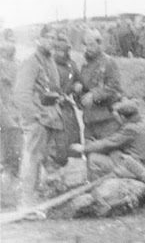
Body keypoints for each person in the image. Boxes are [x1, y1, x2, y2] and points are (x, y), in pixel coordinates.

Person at [71, 100, 145, 200]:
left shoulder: (130, 129)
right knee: (115, 154)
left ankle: (95, 193)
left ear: (123, 118)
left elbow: (108, 143)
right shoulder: (141, 125)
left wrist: (84, 148)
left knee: (93, 158)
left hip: (140, 168)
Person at [15, 25, 63, 208]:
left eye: (54, 38)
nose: (51, 41)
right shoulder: (31, 61)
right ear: (39, 39)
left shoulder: (49, 61)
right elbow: (21, 93)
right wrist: (35, 116)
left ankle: (34, 199)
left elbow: (53, 88)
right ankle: (26, 202)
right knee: (32, 159)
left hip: (49, 118)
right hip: (37, 120)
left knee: (40, 159)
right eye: (48, 37)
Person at [80, 28, 123, 140]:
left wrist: (94, 95)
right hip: (89, 120)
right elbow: (84, 89)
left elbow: (114, 87)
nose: (88, 48)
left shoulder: (108, 62)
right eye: (85, 45)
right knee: (90, 153)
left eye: (91, 45)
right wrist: (79, 90)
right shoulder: (85, 66)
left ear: (99, 44)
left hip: (107, 120)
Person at [52, 33, 83, 166]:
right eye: (57, 51)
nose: (60, 54)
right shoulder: (50, 65)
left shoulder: (72, 65)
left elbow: (79, 80)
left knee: (73, 134)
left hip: (68, 107)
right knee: (58, 137)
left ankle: (74, 162)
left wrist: (78, 86)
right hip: (53, 106)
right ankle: (58, 163)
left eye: (63, 51)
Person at [0, 29, 21, 182]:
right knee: (8, 133)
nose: (10, 45)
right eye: (8, 41)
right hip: (4, 104)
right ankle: (7, 167)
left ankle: (14, 167)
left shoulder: (18, 63)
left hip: (15, 105)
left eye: (13, 41)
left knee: (16, 136)